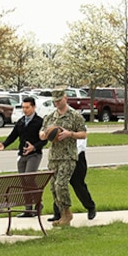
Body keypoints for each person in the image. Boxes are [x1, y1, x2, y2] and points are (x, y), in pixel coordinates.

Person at [39, 88, 88, 226]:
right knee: (54, 187)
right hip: (54, 156)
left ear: (65, 98)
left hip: (68, 156)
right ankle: (63, 214)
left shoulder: (74, 116)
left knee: (61, 185)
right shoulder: (50, 117)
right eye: (54, 101)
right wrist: (44, 135)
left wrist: (70, 134)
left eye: (59, 100)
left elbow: (83, 134)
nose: (57, 103)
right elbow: (42, 132)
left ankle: (67, 212)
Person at [0, 95, 46, 217]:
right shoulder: (20, 121)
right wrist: (4, 144)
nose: (25, 110)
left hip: (34, 155)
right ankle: (28, 209)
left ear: (34, 107)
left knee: (29, 178)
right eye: (23, 107)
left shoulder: (40, 122)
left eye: (27, 107)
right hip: (22, 155)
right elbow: (13, 135)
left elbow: (45, 140)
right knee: (23, 182)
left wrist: (34, 147)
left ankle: (39, 203)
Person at [50, 136, 98, 223]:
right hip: (62, 158)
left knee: (78, 184)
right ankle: (58, 212)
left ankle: (90, 207)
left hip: (77, 158)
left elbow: (80, 145)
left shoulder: (78, 127)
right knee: (59, 184)